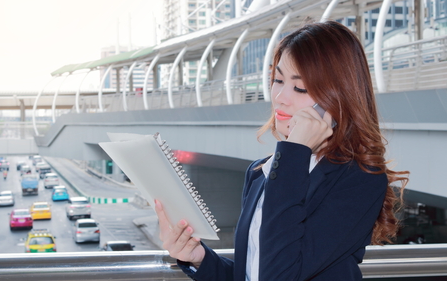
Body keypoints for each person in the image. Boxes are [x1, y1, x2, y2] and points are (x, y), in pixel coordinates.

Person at [155, 20, 409, 281]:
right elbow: (254, 273)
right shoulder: (260, 172)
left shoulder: (359, 179)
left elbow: (281, 273)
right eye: (277, 80)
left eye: (300, 87)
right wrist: (201, 259)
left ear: (339, 97)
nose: (280, 97)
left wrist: (293, 152)